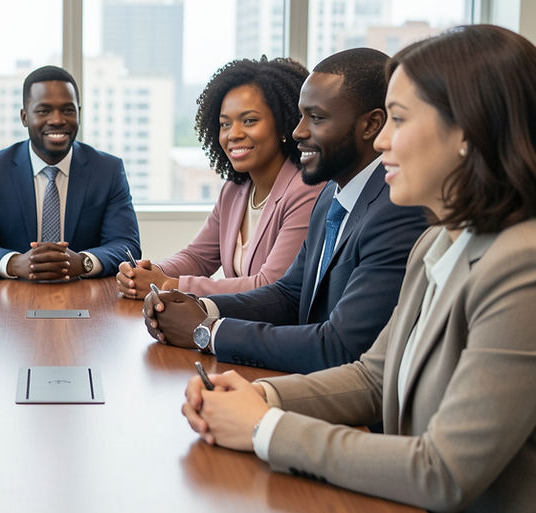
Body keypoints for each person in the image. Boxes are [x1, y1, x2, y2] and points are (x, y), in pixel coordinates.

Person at [181, 25, 536, 512]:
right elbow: (373, 377)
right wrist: (259, 396)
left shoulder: (522, 267)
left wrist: (265, 428)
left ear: (469, 133)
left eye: (399, 120)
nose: (382, 141)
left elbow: (445, 471)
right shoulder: (437, 242)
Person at [144, 48, 427, 374]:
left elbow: (341, 347)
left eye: (316, 118)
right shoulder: (332, 196)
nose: (298, 131)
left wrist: (208, 332)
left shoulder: (396, 209)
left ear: (371, 124)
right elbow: (290, 295)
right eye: (301, 115)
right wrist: (199, 307)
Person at [117, 57, 322, 298]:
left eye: (249, 121)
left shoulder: (306, 190)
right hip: (236, 323)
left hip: (276, 331)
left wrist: (167, 284)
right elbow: (198, 257)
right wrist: (148, 272)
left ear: (284, 124)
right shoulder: (235, 190)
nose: (233, 134)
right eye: (225, 124)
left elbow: (270, 285)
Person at [0, 65, 141, 280]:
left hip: (87, 298)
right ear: (24, 117)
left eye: (68, 110)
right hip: (9, 299)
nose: (57, 120)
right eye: (44, 110)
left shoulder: (107, 170)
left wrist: (83, 262)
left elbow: (127, 246)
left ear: (79, 113)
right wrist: (15, 263)